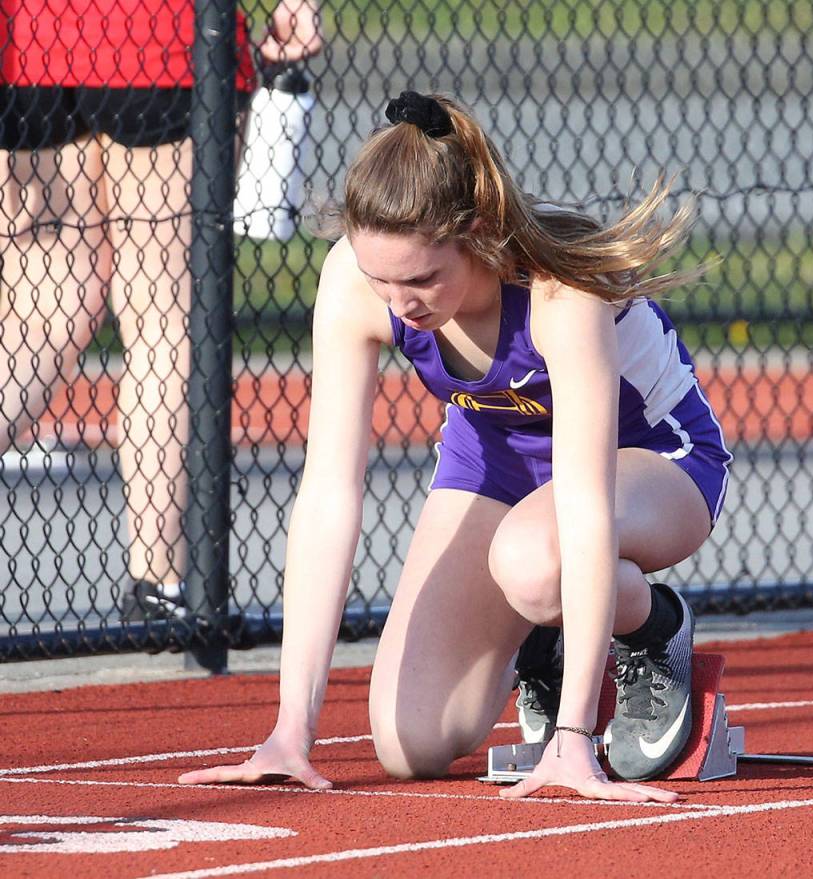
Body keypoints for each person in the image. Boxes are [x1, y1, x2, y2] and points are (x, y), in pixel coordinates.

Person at [177, 91, 732, 800]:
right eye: (383, 279)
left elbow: (586, 507)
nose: (400, 302)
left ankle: (654, 628)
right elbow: (328, 495)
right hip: (497, 458)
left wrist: (569, 743)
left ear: (476, 233)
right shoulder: (355, 282)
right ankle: (544, 640)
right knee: (411, 742)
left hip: (653, 458)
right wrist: (293, 726)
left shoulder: (560, 294)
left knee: (535, 561)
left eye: (421, 279)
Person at [0, 0, 322, 619]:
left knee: (37, 320)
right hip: (160, 41)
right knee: (164, 322)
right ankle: (158, 584)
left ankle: (161, 586)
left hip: (29, 45)